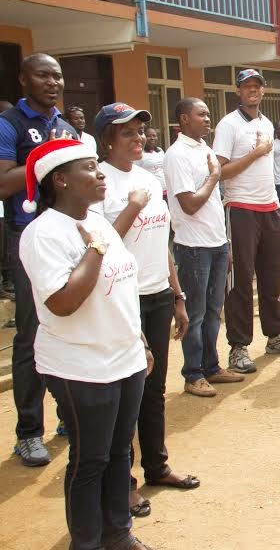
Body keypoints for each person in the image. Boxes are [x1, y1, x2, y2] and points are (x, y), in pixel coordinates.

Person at [19, 137, 155, 550]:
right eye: (89, 168)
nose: (100, 174)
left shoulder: (96, 220)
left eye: (98, 166)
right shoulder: (43, 233)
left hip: (125, 358)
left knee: (118, 454)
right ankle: (87, 542)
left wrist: (141, 341)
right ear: (60, 180)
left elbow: (124, 288)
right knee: (90, 459)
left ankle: (118, 535)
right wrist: (95, 248)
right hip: (80, 367)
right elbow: (63, 301)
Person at [90, 102, 202, 519]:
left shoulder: (147, 177)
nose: (138, 138)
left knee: (153, 391)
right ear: (107, 140)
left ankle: (157, 466)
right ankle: (125, 485)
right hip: (122, 299)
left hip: (156, 294)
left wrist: (177, 296)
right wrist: (131, 207)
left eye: (140, 131)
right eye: (127, 133)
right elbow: (100, 248)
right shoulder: (99, 184)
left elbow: (163, 243)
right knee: (126, 396)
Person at [0, 53, 78, 466]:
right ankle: (29, 432)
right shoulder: (10, 124)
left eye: (58, 76)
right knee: (31, 336)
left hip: (67, 235)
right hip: (27, 236)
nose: (53, 82)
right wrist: (45, 157)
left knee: (70, 325)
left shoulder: (65, 127)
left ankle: (70, 414)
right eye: (43, 75)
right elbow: (2, 182)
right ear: (23, 79)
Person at [214, 68, 280, 373]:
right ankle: (238, 347)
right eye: (246, 87)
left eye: (257, 86)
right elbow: (220, 172)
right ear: (238, 91)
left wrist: (279, 208)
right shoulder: (228, 125)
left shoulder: (266, 123)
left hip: (270, 208)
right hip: (240, 208)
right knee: (241, 280)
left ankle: (274, 335)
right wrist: (254, 155)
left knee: (271, 276)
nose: (252, 91)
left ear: (264, 91)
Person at [165, 98, 246, 395]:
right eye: (201, 115)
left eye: (209, 115)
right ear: (184, 119)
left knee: (214, 311)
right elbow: (189, 204)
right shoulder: (176, 156)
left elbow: (212, 204)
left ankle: (212, 367)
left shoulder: (205, 149)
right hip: (193, 247)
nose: (208, 119)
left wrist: (225, 243)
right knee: (195, 314)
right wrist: (214, 176)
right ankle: (193, 374)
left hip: (215, 244)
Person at [136, 127, 167, 200]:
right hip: (150, 190)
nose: (152, 138)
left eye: (154, 135)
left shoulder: (160, 151)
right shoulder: (140, 153)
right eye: (149, 136)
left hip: (165, 188)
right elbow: (136, 173)